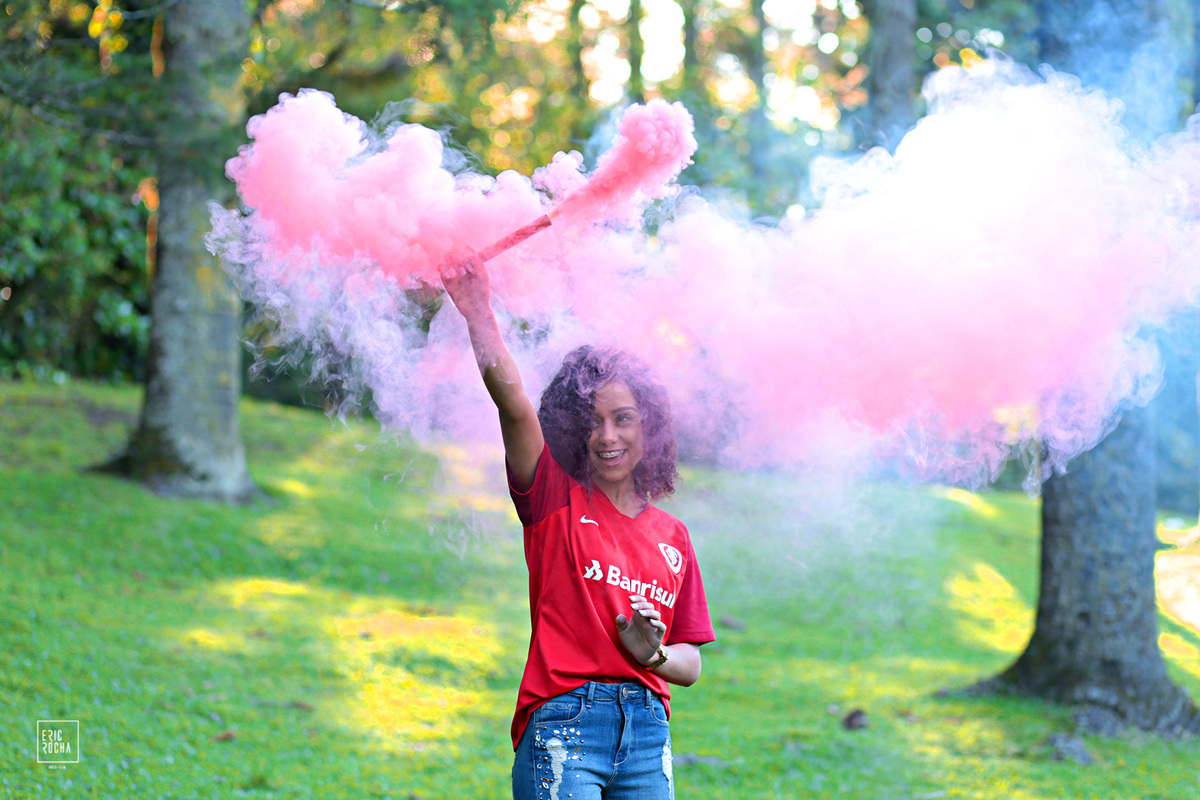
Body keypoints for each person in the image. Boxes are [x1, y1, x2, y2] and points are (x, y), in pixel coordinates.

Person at [439, 250, 715, 800]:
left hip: (647, 735)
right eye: (591, 421)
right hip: (564, 725)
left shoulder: (673, 537)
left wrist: (651, 654)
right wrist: (476, 311)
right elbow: (513, 404)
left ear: (650, 426)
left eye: (623, 419)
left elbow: (690, 664)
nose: (607, 436)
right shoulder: (552, 499)